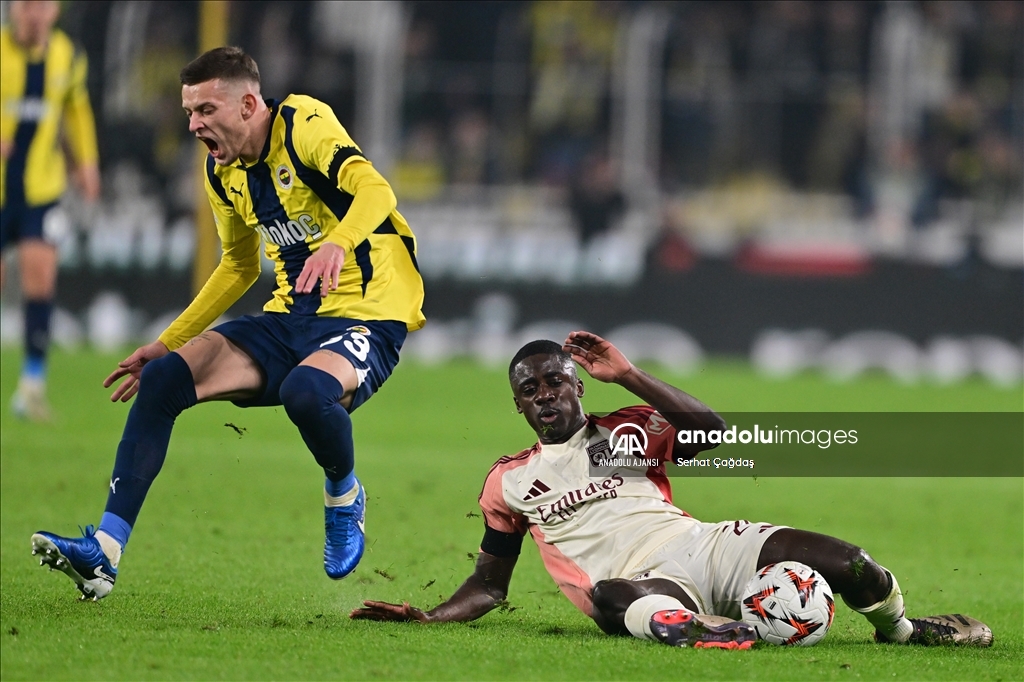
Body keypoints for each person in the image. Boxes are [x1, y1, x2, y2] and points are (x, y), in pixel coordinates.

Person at [30, 46, 425, 600]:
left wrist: (338, 243)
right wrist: (169, 341)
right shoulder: (222, 173)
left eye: (206, 110)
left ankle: (344, 495)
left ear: (247, 105)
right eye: (189, 112)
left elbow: (377, 191)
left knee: (305, 392)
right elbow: (239, 265)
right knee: (165, 378)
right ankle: (105, 554)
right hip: (291, 316)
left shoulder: (303, 123)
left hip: (370, 312)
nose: (194, 125)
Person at [351, 332, 993, 649]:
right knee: (607, 596)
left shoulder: (627, 428)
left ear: (578, 385)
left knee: (850, 563)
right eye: (530, 389)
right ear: (518, 404)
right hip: (641, 582)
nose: (544, 395)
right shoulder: (509, 480)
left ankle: (902, 631)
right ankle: (714, 631)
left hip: (702, 545)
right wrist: (429, 617)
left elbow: (712, 432)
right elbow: (491, 584)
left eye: (555, 381)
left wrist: (630, 374)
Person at [1, 0, 101, 421]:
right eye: (26, 5)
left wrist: (87, 164)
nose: (34, 14)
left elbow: (76, 109)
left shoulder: (68, 55)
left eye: (42, 5)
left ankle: (32, 387)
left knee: (40, 280)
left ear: (55, 10)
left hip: (42, 189)